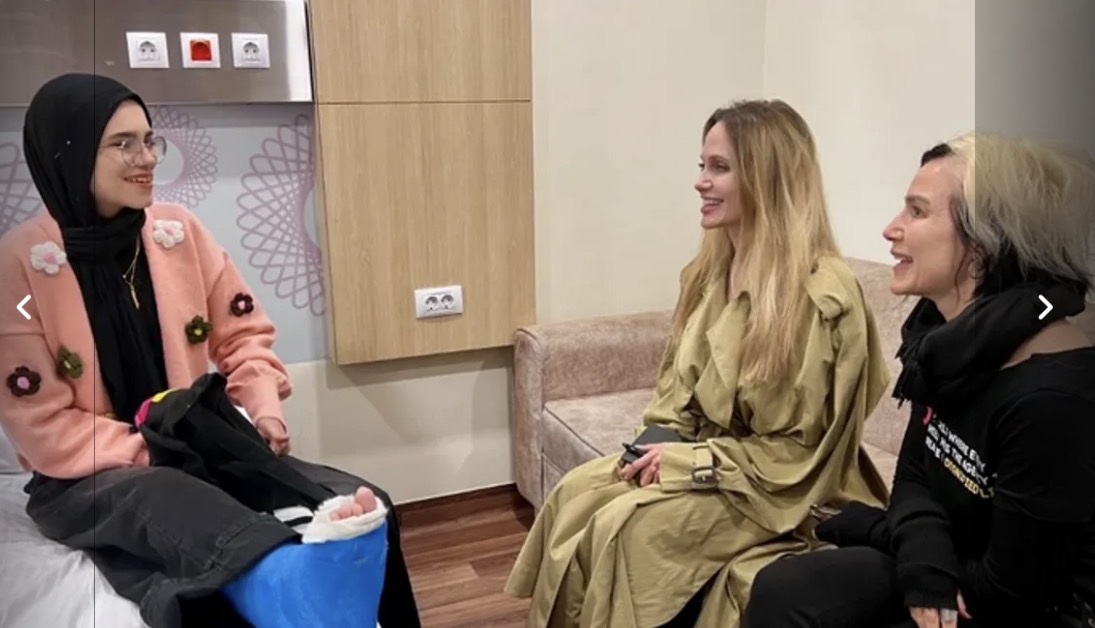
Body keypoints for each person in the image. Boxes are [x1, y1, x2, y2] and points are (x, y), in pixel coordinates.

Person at [0, 73, 422, 628]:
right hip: (84, 477)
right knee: (167, 496)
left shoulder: (178, 232)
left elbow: (242, 337)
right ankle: (287, 583)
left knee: (359, 501)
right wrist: (161, 449)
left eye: (149, 140)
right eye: (123, 143)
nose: (147, 158)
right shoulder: (19, 267)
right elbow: (40, 423)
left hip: (196, 443)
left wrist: (263, 411)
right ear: (68, 156)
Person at [503, 99, 893, 627]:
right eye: (702, 164)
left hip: (781, 489)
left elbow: (798, 454)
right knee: (576, 494)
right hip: (714, 462)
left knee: (632, 529)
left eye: (720, 167)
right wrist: (655, 446)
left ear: (767, 177)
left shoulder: (822, 295)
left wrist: (688, 463)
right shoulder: (710, 272)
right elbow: (676, 393)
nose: (700, 182)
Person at [741, 133, 1095, 628]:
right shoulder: (947, 343)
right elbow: (913, 477)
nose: (891, 229)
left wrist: (881, 532)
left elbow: (1012, 594)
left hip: (1023, 608)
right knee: (784, 587)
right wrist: (920, 549)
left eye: (917, 211)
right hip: (950, 557)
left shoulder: (1052, 397)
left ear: (984, 244)